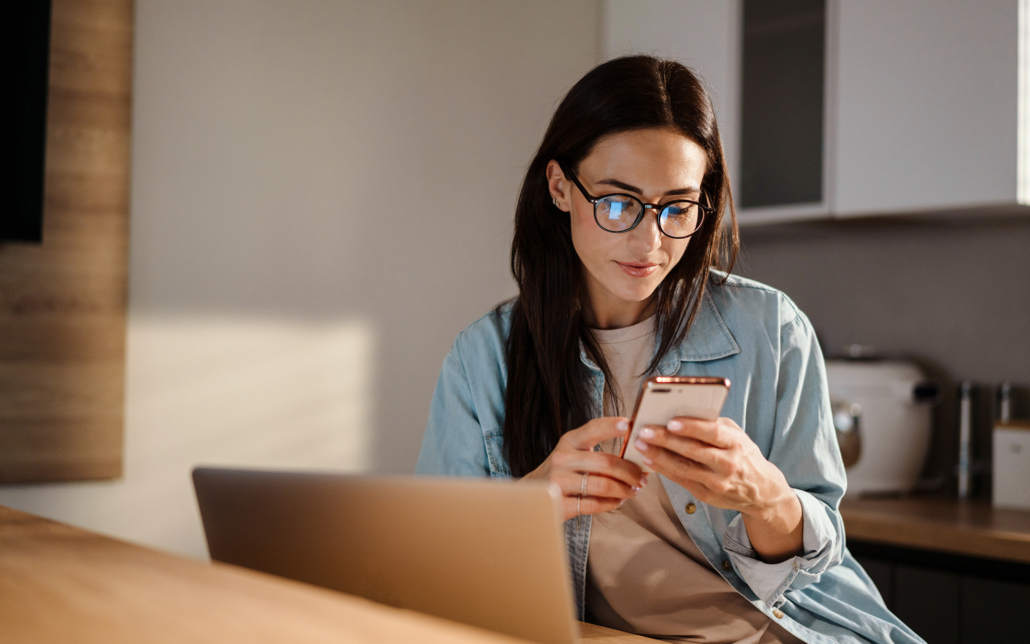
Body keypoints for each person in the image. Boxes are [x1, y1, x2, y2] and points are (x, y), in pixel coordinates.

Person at [415, 55, 923, 644]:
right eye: (617, 202)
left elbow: (815, 560)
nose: (649, 241)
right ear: (560, 188)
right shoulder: (484, 359)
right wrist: (533, 501)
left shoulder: (772, 328)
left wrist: (765, 497)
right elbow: (434, 562)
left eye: (677, 208)